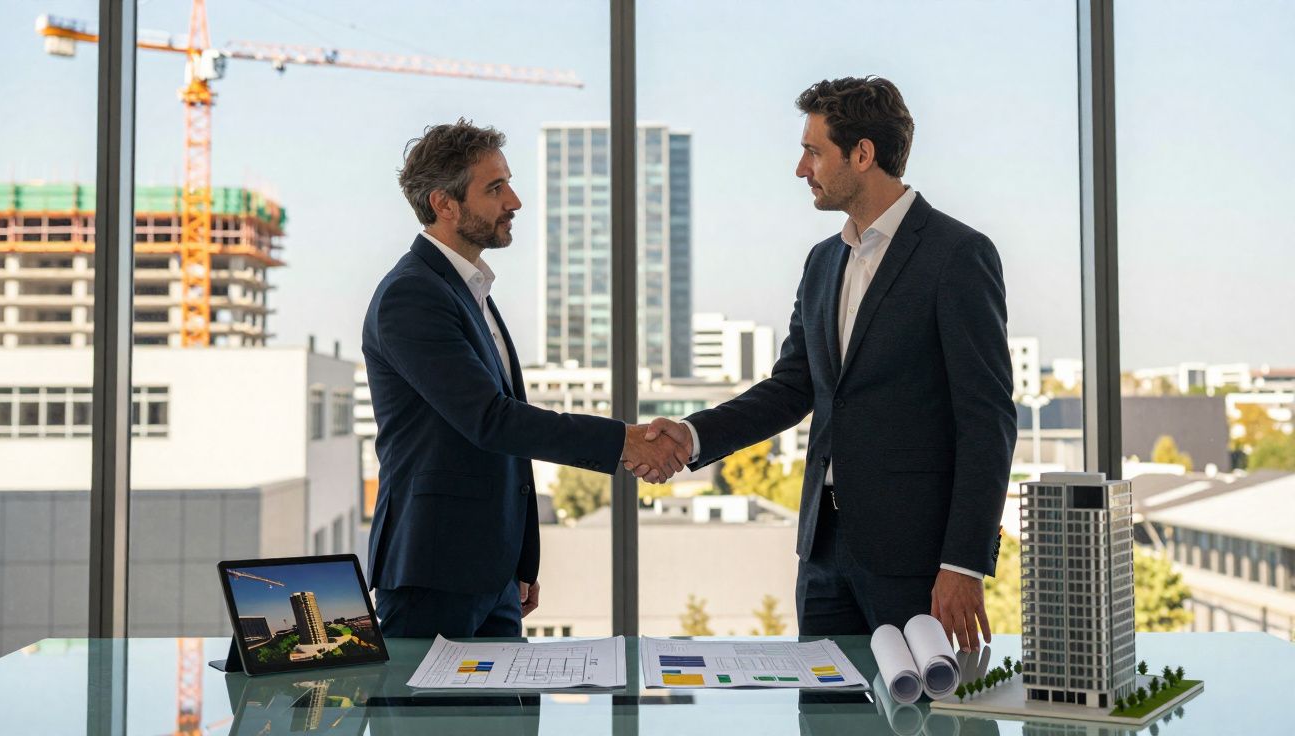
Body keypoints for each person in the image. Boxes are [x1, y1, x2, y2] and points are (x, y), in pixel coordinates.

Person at [637, 77, 1016, 650]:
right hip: (821, 554)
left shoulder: (958, 255)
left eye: (813, 151)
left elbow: (987, 420)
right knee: (821, 718)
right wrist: (692, 436)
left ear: (862, 154)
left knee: (926, 721)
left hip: (916, 563)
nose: (800, 168)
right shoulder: (821, 263)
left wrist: (963, 563)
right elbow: (793, 388)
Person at [363, 119, 686, 638]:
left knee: (507, 722)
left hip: (494, 575)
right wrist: (623, 440)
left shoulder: (469, 291)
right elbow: (491, 420)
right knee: (426, 722)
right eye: (495, 188)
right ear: (445, 204)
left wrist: (522, 559)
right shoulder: (412, 295)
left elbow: (500, 450)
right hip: (434, 572)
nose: (514, 201)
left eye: (508, 183)